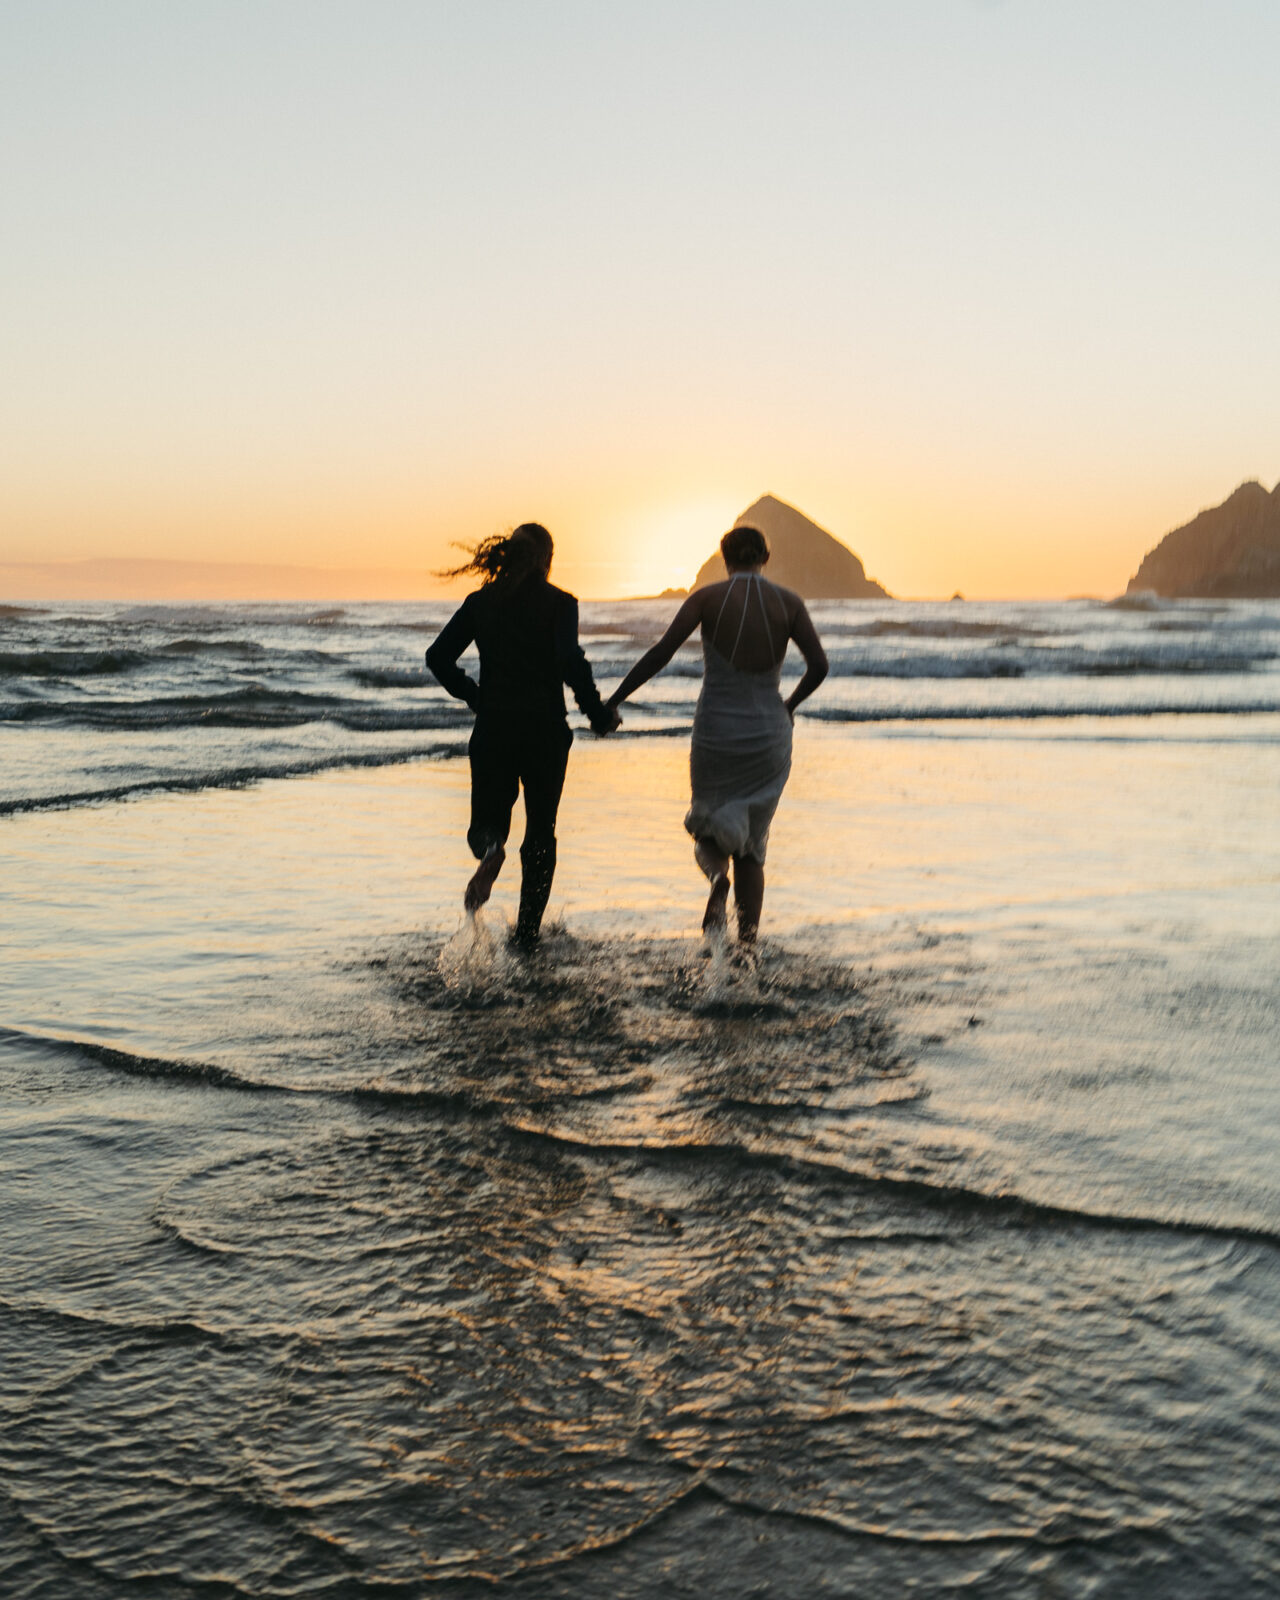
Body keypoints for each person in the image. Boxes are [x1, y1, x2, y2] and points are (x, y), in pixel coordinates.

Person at [605, 526, 827, 943]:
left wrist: (614, 699)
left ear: (724, 557)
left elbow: (661, 653)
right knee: (753, 847)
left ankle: (716, 880)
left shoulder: (707, 599)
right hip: (768, 732)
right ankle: (747, 947)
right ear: (766, 554)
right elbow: (819, 666)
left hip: (717, 729)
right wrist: (789, 705)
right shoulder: (789, 603)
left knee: (708, 829)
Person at [426, 523, 619, 948]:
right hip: (545, 732)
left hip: (494, 728)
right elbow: (571, 661)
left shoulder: (481, 603)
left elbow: (437, 657)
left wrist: (475, 696)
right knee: (540, 832)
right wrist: (598, 715)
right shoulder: (560, 604)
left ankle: (492, 854)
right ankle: (527, 936)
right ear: (547, 559)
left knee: (488, 823)